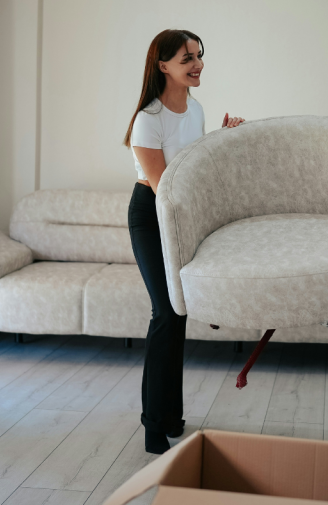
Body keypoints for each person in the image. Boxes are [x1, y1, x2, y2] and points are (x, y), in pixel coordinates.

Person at [124, 29, 245, 454]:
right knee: (165, 313)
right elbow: (164, 186)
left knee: (179, 312)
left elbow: (192, 167)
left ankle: (171, 417)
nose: (197, 64)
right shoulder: (147, 119)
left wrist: (221, 140)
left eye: (198, 55)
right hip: (152, 212)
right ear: (163, 67)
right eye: (186, 59)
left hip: (180, 211)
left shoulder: (195, 111)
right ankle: (155, 425)